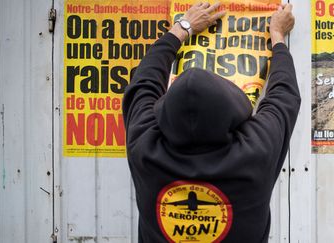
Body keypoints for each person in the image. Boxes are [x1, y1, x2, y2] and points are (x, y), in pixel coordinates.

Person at [122, 2, 300, 243]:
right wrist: (278, 36)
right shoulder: (256, 150)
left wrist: (182, 28)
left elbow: (143, 84)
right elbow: (283, 95)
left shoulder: (144, 145)